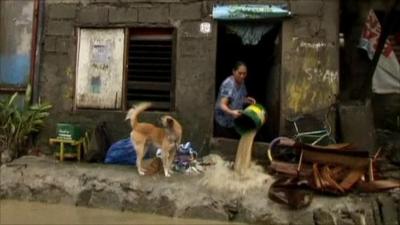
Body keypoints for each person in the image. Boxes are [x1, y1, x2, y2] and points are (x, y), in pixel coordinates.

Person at [214, 61, 256, 139]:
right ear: (233, 71)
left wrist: (246, 100)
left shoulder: (241, 82)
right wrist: (232, 112)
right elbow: (222, 104)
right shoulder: (229, 84)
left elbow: (237, 98)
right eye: (239, 73)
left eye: (244, 73)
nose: (242, 76)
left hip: (233, 121)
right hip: (223, 122)